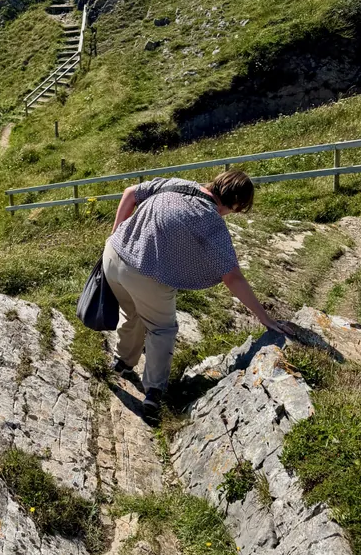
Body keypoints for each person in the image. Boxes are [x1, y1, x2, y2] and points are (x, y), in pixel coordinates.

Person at [103, 169, 289, 423]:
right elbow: (232, 277)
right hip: (145, 272)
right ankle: (153, 393)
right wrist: (264, 318)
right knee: (161, 329)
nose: (231, 214)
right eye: (235, 210)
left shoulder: (177, 183)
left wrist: (117, 234)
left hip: (113, 257)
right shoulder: (211, 222)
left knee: (132, 311)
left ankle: (122, 362)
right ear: (236, 203)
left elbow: (130, 193)